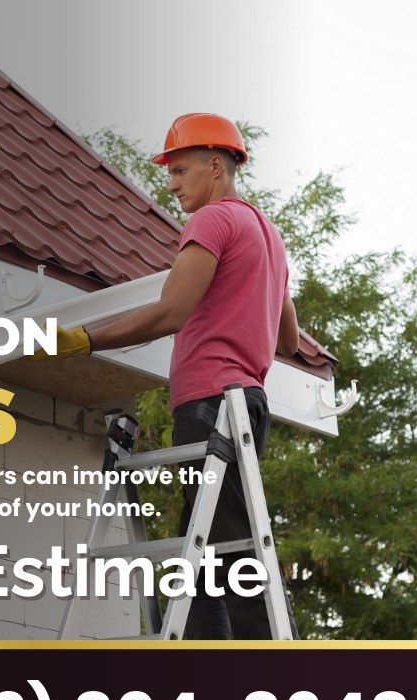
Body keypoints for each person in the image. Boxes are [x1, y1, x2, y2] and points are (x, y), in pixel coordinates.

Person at [40, 113, 300, 639]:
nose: (174, 184)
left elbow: (170, 312)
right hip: (245, 407)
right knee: (202, 555)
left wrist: (88, 338)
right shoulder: (267, 235)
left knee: (234, 552)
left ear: (214, 166)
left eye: (180, 171)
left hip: (212, 406)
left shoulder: (213, 221)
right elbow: (288, 341)